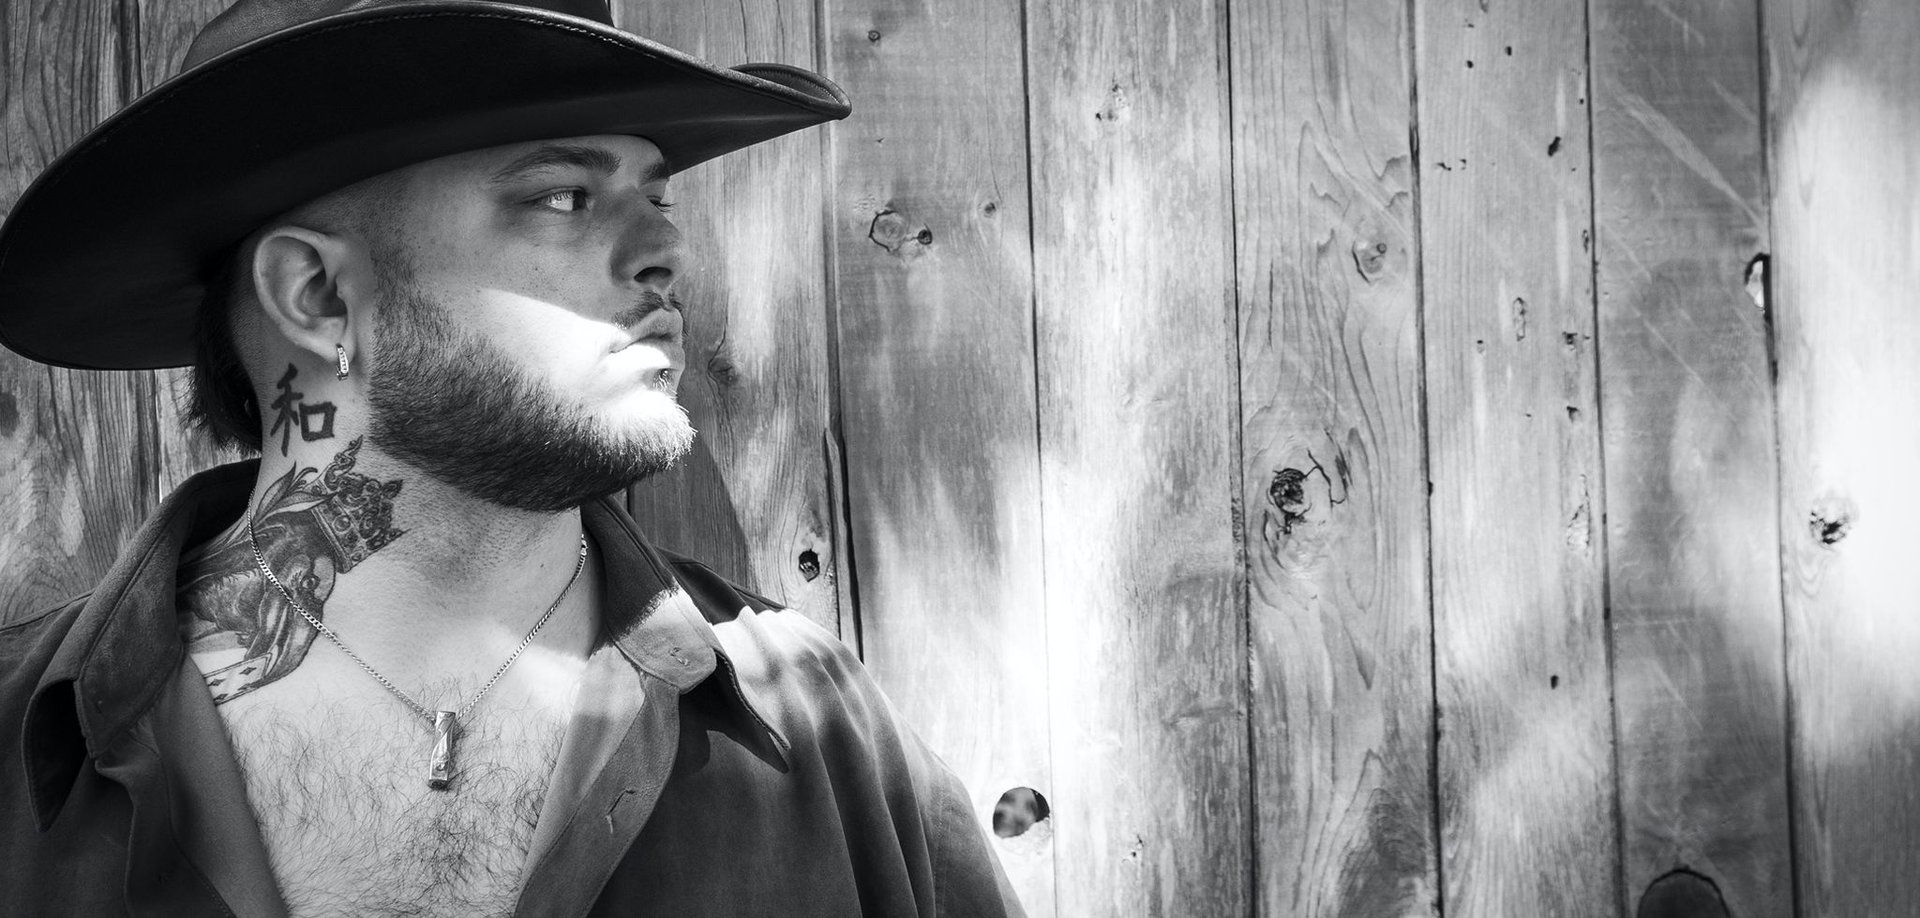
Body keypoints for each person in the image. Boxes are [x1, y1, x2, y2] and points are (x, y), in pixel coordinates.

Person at [0, 0, 1026, 915]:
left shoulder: (821, 728)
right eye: (563, 198)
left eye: (656, 198)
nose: (665, 252)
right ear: (315, 299)